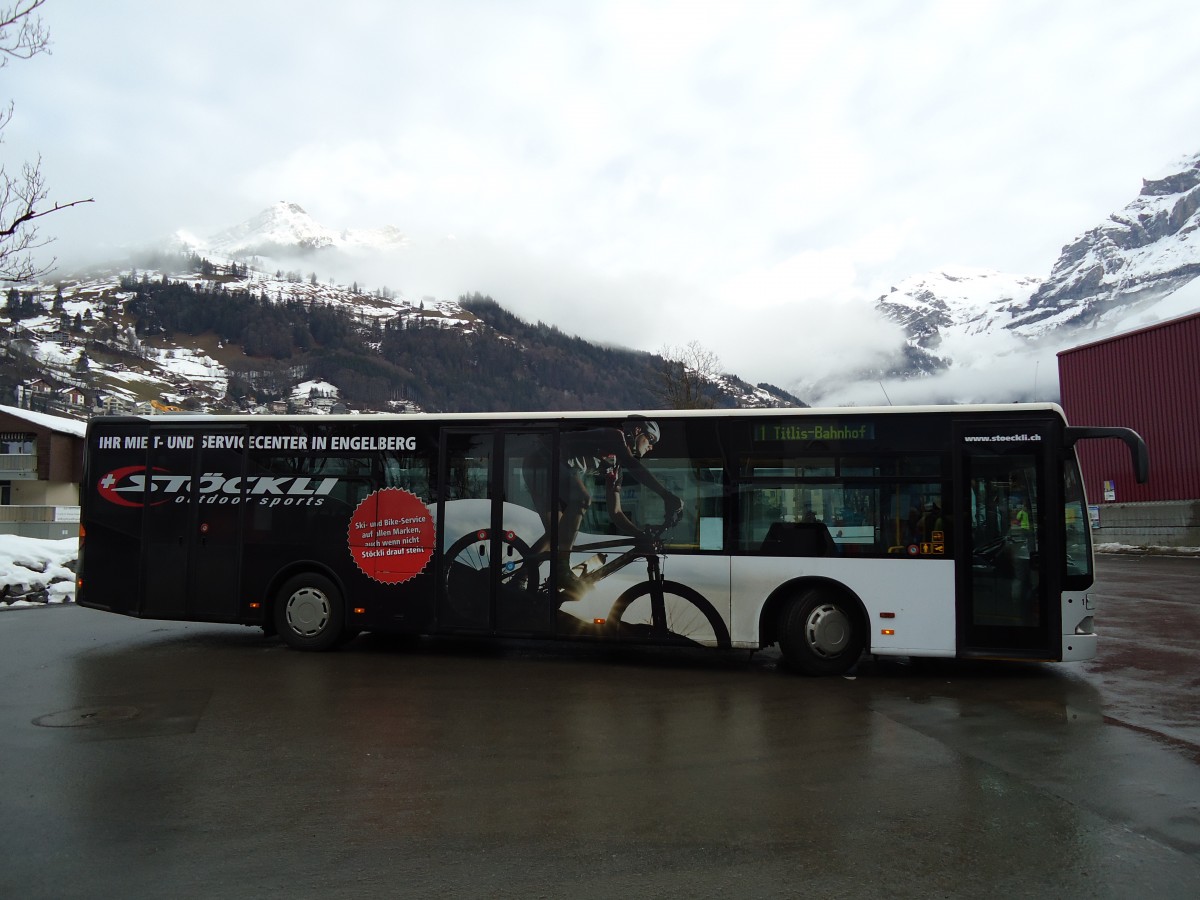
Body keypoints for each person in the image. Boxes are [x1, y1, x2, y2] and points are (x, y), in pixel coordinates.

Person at [523, 417, 683, 598]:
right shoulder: (615, 437)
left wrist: (639, 534)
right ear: (638, 431)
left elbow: (616, 512)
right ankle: (561, 569)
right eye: (651, 439)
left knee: (556, 533)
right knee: (582, 499)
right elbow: (634, 466)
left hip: (542, 464)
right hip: (542, 457)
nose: (651, 446)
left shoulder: (615, 469)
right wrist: (666, 495)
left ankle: (519, 580)